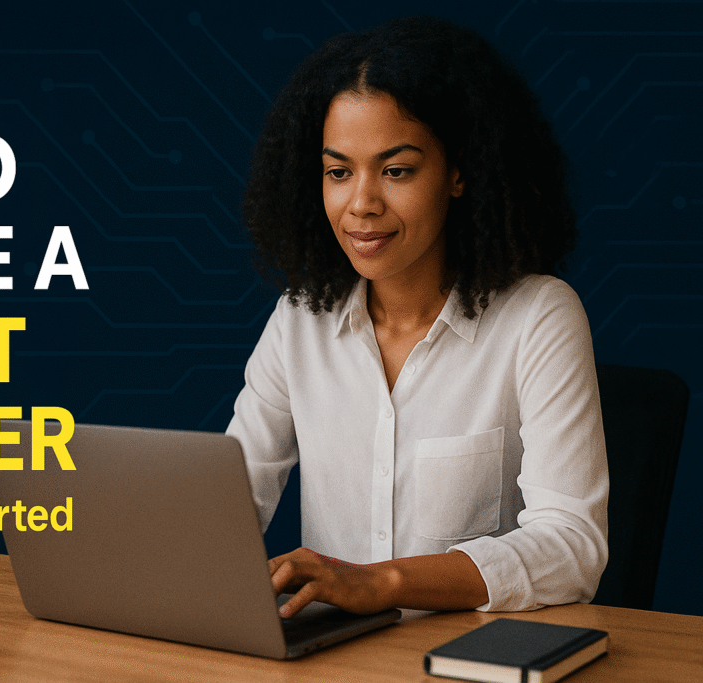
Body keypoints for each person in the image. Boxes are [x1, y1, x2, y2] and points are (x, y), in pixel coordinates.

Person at [227, 16, 608, 618]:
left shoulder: (539, 316)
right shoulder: (300, 321)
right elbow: (227, 504)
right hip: (339, 661)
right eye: (338, 172)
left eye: (396, 170)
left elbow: (571, 545)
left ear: (457, 173)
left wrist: (382, 583)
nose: (361, 203)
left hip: (471, 660)